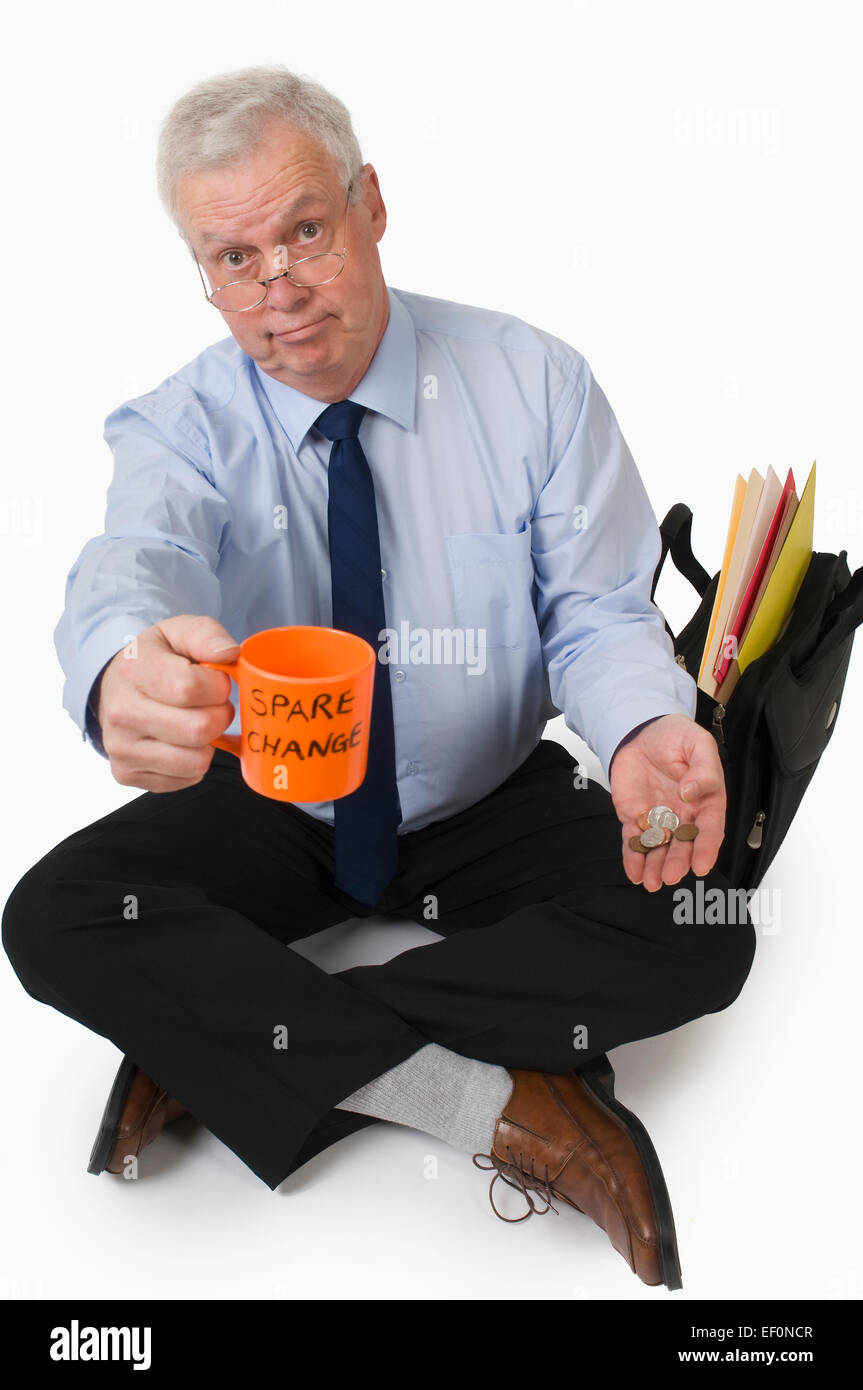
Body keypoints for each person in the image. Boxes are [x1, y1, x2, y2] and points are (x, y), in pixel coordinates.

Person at [1, 65, 754, 1290]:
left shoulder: (530, 382)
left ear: (370, 204)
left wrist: (634, 735)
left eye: (303, 228)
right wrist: (112, 669)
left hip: (491, 797)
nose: (278, 286)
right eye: (233, 257)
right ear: (202, 274)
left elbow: (597, 613)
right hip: (277, 800)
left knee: (707, 917)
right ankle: (499, 1106)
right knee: (52, 917)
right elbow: (136, 558)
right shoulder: (181, 423)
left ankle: (225, 1035)